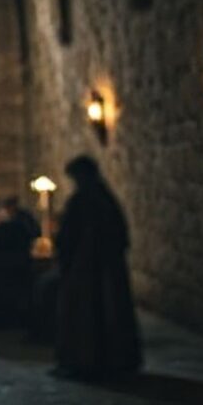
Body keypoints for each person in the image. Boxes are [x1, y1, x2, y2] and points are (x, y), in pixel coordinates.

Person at [52, 155, 143, 380]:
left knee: (86, 314)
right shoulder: (105, 198)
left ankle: (86, 361)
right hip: (102, 268)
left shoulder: (83, 200)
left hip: (86, 270)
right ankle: (110, 359)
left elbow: (68, 236)